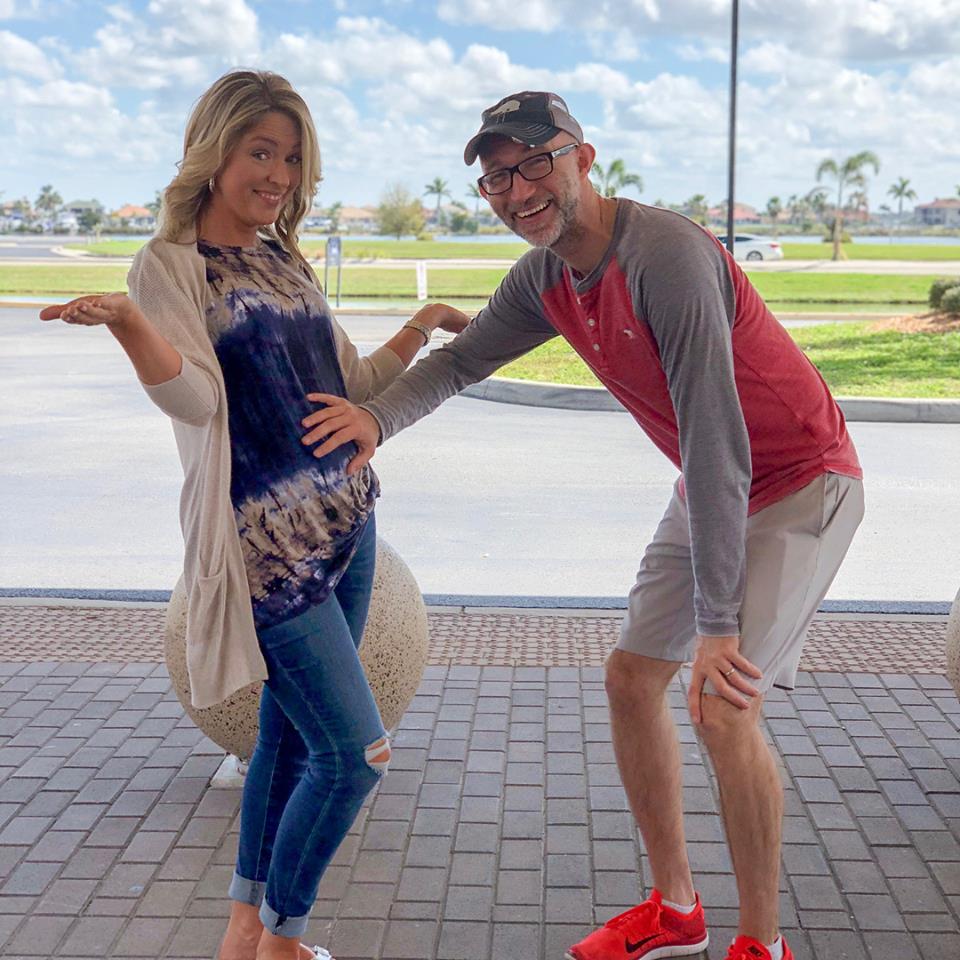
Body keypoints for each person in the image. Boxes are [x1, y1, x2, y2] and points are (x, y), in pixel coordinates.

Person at [300, 91, 865, 960]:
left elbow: (717, 438)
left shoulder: (665, 256)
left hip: (799, 480)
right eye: (497, 178)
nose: (518, 189)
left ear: (584, 158)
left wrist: (717, 627)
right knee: (632, 678)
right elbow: (461, 361)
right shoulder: (545, 278)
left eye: (535, 162)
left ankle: (763, 943)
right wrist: (376, 420)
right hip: (711, 485)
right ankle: (676, 911)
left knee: (721, 706)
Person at [39, 70, 467, 960]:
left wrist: (421, 324)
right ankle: (283, 940)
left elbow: (350, 383)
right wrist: (129, 325)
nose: (277, 174)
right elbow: (195, 401)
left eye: (292, 157)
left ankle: (244, 933)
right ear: (214, 151)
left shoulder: (283, 256)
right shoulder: (169, 265)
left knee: (286, 738)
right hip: (265, 553)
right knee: (355, 755)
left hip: (348, 526)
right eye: (260, 152)